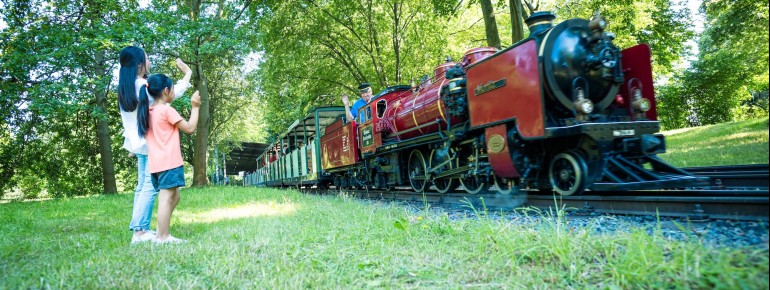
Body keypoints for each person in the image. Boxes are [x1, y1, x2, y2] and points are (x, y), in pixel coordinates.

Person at [117, 46, 192, 244]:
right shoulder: (143, 86)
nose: (150, 62)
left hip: (138, 142)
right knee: (149, 186)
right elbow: (167, 96)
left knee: (143, 185)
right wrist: (187, 76)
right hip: (151, 143)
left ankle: (139, 228)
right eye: (147, 59)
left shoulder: (125, 86)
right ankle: (141, 231)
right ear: (139, 64)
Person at [137, 74, 200, 244]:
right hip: (169, 163)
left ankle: (161, 230)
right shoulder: (166, 110)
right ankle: (162, 237)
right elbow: (190, 128)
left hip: (156, 165)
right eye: (172, 88)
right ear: (166, 91)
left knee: (175, 197)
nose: (173, 91)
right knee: (165, 199)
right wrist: (195, 106)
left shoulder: (147, 112)